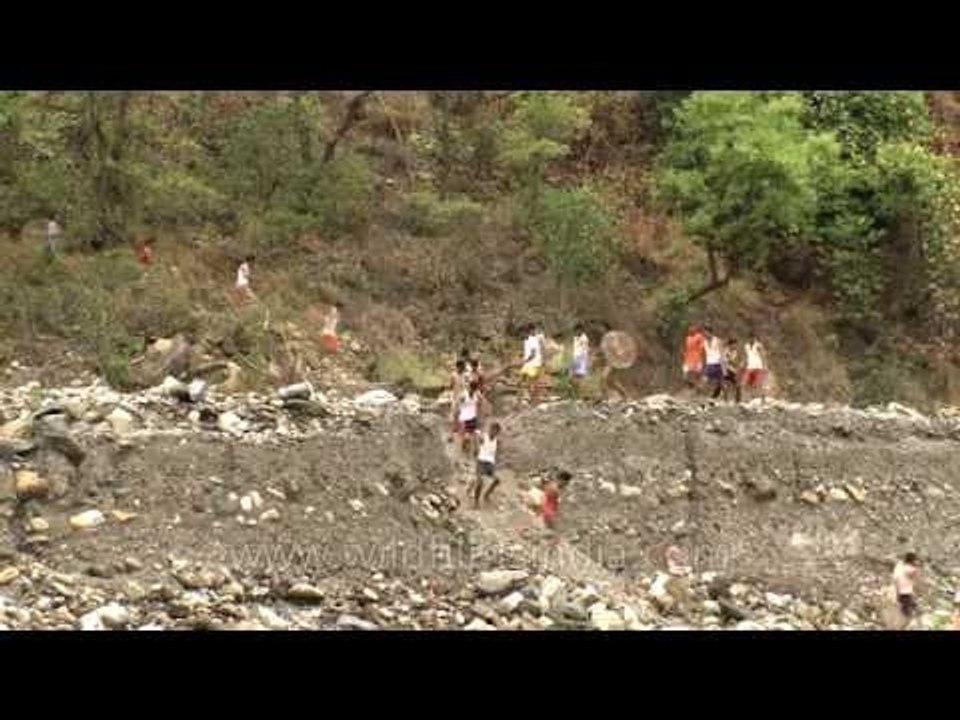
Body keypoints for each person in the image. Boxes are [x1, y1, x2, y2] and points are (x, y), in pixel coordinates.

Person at [471, 422, 501, 508]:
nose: (493, 432)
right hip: (481, 462)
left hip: (490, 464)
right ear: (490, 429)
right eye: (492, 430)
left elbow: (496, 453)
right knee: (480, 482)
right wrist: (476, 448)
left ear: (497, 432)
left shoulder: (497, 441)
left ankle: (486, 495)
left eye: (495, 431)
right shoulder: (484, 437)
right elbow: (476, 434)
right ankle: (476, 501)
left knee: (497, 480)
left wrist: (495, 464)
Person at [892, 552, 920, 627]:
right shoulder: (910, 569)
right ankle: (903, 625)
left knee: (911, 608)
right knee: (907, 613)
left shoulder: (899, 566)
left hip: (899, 591)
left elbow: (895, 579)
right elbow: (915, 577)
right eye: (915, 560)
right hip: (905, 592)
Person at [458, 380, 484, 456]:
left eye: (474, 389)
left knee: (476, 435)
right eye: (472, 388)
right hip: (464, 418)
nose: (473, 390)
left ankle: (475, 451)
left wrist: (480, 410)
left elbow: (481, 401)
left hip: (473, 417)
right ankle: (463, 447)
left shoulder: (476, 394)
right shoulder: (464, 394)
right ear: (470, 387)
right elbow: (458, 404)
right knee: (467, 438)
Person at [520, 324, 545, 400]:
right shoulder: (525, 340)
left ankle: (532, 395)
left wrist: (525, 360)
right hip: (529, 362)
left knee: (530, 379)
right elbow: (527, 352)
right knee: (524, 377)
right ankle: (528, 394)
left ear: (526, 332)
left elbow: (533, 353)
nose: (521, 335)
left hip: (534, 362)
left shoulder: (533, 340)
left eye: (522, 333)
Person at [743, 334, 768, 400]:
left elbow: (763, 354)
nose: (751, 339)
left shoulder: (758, 345)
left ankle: (763, 398)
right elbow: (747, 356)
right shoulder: (746, 346)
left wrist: (764, 365)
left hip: (758, 366)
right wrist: (744, 364)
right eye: (750, 338)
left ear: (754, 338)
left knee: (759, 383)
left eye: (753, 338)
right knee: (747, 383)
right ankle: (752, 397)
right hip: (750, 366)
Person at [448, 359, 468, 442]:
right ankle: (451, 435)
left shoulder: (465, 375)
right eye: (462, 367)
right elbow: (451, 386)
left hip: (463, 398)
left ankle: (463, 436)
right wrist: (450, 395)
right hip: (455, 397)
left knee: (463, 417)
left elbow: (467, 387)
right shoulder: (453, 375)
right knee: (453, 416)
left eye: (464, 367)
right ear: (458, 367)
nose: (463, 368)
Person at [682, 325, 705, 391]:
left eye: (692, 328)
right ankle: (692, 385)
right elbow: (686, 348)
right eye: (689, 328)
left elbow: (702, 347)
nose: (690, 329)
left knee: (697, 374)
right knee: (685, 374)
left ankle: (698, 388)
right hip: (688, 359)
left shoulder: (699, 336)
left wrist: (700, 355)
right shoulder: (687, 338)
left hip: (697, 358)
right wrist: (684, 354)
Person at [702, 328, 724, 398]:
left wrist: (724, 366)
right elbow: (705, 354)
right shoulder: (704, 342)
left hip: (717, 364)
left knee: (720, 383)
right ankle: (704, 395)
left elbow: (722, 353)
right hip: (709, 364)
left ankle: (721, 397)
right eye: (705, 333)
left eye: (707, 333)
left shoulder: (717, 341)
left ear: (711, 332)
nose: (706, 334)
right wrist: (704, 364)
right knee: (705, 380)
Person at [721, 336, 742, 403]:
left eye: (735, 344)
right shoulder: (726, 352)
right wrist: (724, 372)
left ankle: (737, 400)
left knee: (737, 385)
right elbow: (725, 361)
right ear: (730, 345)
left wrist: (737, 365)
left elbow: (736, 361)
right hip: (727, 370)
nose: (735, 346)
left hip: (733, 370)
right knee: (726, 385)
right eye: (733, 344)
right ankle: (725, 400)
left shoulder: (736, 352)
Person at [570, 325, 590, 390]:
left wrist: (585, 359)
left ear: (581, 330)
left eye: (578, 330)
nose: (577, 332)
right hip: (575, 357)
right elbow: (574, 348)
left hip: (581, 357)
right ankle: (575, 389)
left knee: (580, 375)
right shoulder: (575, 337)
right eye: (576, 331)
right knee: (573, 374)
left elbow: (585, 349)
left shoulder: (584, 338)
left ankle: (581, 389)